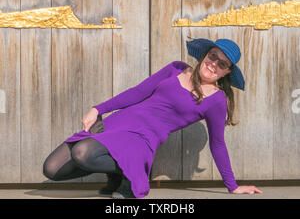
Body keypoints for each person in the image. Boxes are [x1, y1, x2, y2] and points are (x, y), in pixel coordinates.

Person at [43, 37, 262, 198]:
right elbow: (137, 92)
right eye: (213, 56)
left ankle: (130, 175)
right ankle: (122, 172)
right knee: (51, 169)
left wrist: (232, 185)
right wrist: (98, 109)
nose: (214, 64)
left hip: (142, 138)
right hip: (120, 121)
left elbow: (218, 143)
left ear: (226, 72)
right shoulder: (176, 68)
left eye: (222, 64)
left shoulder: (216, 100)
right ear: (205, 55)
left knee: (83, 154)